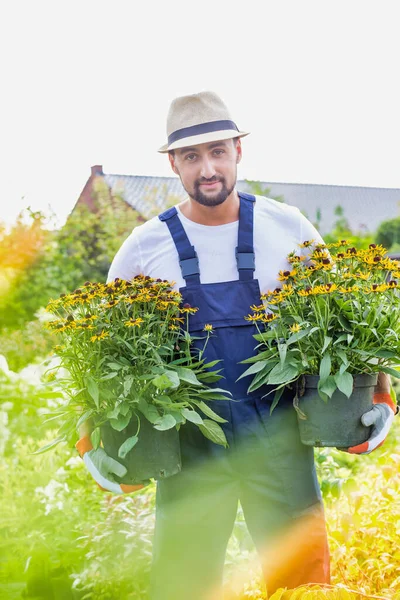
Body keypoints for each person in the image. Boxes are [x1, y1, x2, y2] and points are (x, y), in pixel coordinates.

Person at [76, 91, 397, 599]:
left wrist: (378, 398)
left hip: (282, 438)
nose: (208, 168)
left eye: (218, 151)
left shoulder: (286, 227)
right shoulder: (144, 246)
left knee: (304, 578)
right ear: (173, 164)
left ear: (238, 152)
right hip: (189, 449)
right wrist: (92, 439)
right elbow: (103, 354)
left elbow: (346, 330)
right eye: (191, 156)